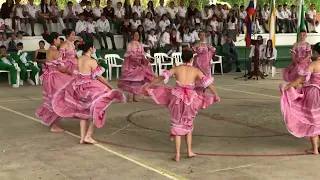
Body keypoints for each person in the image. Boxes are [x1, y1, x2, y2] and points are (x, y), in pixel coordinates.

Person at [143, 48, 220, 162]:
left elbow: (161, 77)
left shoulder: (177, 68)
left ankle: (178, 154)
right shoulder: (196, 70)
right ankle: (189, 151)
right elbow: (208, 84)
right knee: (188, 125)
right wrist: (216, 95)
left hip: (176, 98)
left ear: (181, 57)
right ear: (192, 58)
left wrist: (149, 85)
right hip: (190, 99)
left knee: (177, 125)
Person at [52, 42, 125, 144]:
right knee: (98, 110)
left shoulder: (80, 59)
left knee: (84, 113)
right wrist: (110, 87)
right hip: (89, 87)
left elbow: (77, 73)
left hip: (78, 87)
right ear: (90, 49)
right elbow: (99, 77)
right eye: (93, 47)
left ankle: (82, 138)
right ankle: (88, 136)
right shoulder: (91, 61)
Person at [280, 42, 320, 154]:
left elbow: (302, 79)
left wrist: (289, 86)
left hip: (314, 93)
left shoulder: (313, 64)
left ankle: (315, 149)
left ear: (316, 52)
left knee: (313, 120)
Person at [35, 32, 74, 132]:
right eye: (58, 39)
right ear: (54, 40)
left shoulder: (48, 50)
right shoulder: (55, 51)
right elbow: (60, 68)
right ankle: (54, 125)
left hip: (48, 76)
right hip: (54, 77)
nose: (59, 41)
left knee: (53, 99)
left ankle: (55, 123)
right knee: (59, 99)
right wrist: (71, 71)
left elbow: (47, 62)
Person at [118, 31, 155, 102]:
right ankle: (130, 96)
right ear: (132, 36)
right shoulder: (130, 44)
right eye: (135, 35)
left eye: (138, 35)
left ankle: (135, 96)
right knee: (131, 80)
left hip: (139, 63)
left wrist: (144, 60)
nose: (136, 36)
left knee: (137, 81)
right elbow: (130, 55)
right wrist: (136, 61)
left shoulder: (140, 44)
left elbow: (142, 54)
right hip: (131, 63)